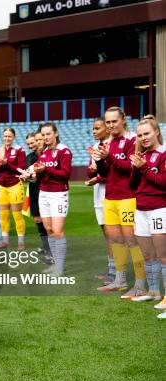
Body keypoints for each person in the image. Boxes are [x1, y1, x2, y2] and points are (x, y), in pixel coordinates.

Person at [94, 107, 146, 298]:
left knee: (132, 241)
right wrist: (100, 161)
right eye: (107, 122)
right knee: (116, 240)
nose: (110, 125)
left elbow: (131, 168)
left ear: (123, 120)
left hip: (128, 198)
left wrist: (109, 157)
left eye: (114, 121)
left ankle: (140, 283)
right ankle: (120, 279)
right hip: (110, 198)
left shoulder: (133, 140)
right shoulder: (109, 142)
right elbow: (107, 174)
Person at [128, 116, 166, 317]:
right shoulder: (141, 155)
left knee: (163, 256)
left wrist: (142, 167)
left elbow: (163, 182)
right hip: (141, 209)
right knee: (148, 254)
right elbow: (133, 186)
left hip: (160, 208)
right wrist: (136, 168)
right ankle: (153, 291)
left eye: (147, 133)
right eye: (140, 134)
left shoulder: (164, 154)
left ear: (157, 132)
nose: (143, 137)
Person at [34, 122, 72, 277]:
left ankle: (60, 268)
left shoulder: (64, 151)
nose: (46, 137)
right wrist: (33, 174)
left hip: (58, 195)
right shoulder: (43, 153)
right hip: (44, 194)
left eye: (48, 134)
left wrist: (46, 169)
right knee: (49, 230)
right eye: (43, 135)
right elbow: (41, 176)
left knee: (57, 231)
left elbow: (65, 174)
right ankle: (55, 264)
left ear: (55, 133)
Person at [85, 118, 114, 284]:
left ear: (107, 129)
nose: (94, 131)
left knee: (114, 235)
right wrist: (92, 170)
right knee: (106, 235)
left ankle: (117, 272)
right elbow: (91, 171)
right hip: (99, 196)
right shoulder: (96, 147)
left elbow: (112, 172)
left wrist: (98, 177)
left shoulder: (112, 146)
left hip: (111, 195)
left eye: (97, 128)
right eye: (93, 129)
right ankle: (112, 269)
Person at [19, 132, 53, 263]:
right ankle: (46, 247)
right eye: (28, 144)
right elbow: (30, 174)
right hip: (34, 190)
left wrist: (31, 175)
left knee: (48, 223)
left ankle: (52, 250)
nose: (32, 145)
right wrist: (27, 176)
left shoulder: (48, 154)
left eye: (33, 142)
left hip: (47, 190)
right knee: (38, 219)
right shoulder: (29, 157)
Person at [0, 128, 26, 250]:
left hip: (15, 185)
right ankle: (5, 241)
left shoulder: (19, 150)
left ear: (14, 137)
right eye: (5, 136)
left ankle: (21, 242)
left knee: (17, 215)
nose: (7, 138)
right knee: (4, 216)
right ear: (3, 137)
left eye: (10, 136)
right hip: (2, 187)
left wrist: (7, 164)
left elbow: (21, 168)